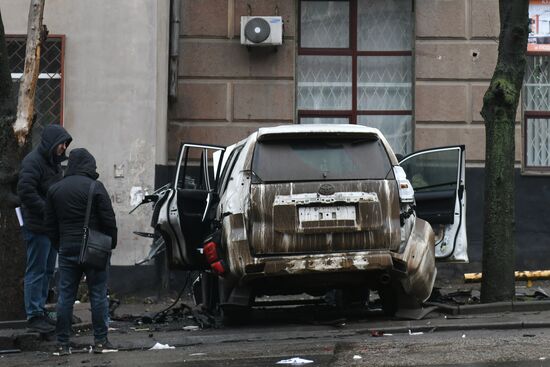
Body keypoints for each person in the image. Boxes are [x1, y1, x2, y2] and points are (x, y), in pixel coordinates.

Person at [44, 148, 118, 355]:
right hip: (95, 249)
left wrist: (59, 244)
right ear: (89, 165)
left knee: (65, 297)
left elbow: (49, 223)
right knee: (98, 295)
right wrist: (110, 243)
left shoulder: (55, 189)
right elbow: (108, 219)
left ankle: (62, 344)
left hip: (67, 247)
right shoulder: (96, 187)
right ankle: (101, 341)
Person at [17, 124, 72, 333]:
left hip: (49, 227)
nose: (64, 147)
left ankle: (40, 310)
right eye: (62, 143)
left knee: (47, 270)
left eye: (65, 144)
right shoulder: (33, 162)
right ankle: (33, 315)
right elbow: (26, 191)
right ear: (52, 142)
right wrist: (48, 212)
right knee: (37, 270)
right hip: (37, 226)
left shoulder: (53, 163)